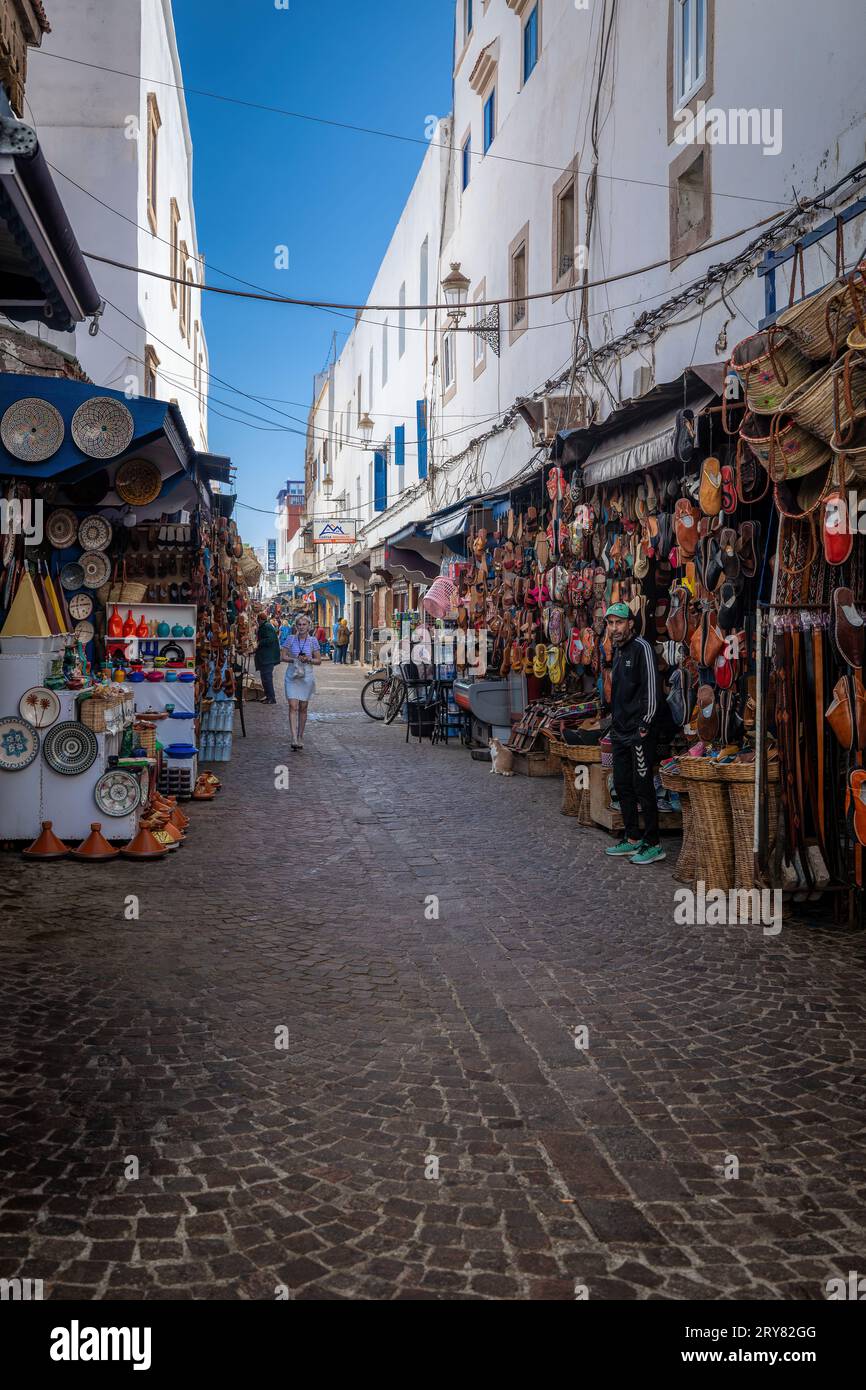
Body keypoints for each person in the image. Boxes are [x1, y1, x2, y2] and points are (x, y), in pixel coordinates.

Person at [603, 602, 666, 866]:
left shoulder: (642, 648)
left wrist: (644, 725)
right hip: (620, 730)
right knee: (622, 784)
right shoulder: (617, 652)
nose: (614, 628)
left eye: (619, 622)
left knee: (643, 787)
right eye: (610, 623)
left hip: (639, 731)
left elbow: (652, 689)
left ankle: (653, 843)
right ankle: (631, 837)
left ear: (630, 623)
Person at [283, 612, 321, 751]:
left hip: (306, 676)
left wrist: (308, 659)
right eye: (299, 624)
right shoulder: (290, 639)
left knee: (303, 707)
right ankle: (293, 737)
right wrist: (295, 659)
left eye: (304, 624)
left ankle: (300, 736)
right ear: (296, 626)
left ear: (309, 626)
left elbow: (319, 661)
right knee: (293, 706)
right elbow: (283, 656)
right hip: (292, 675)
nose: (302, 627)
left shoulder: (313, 641)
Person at [254, 612, 281, 705]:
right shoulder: (266, 626)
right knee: (265, 677)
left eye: (258, 620)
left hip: (268, 658)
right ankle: (268, 696)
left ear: (260, 620)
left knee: (267, 678)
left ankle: (271, 698)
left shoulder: (266, 627)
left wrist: (259, 643)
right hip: (266, 657)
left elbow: (270, 639)